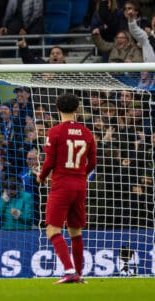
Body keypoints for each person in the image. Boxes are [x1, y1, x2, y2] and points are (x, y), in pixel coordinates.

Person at [37, 93, 97, 284]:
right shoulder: (88, 133)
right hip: (80, 185)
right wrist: (80, 174)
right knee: (75, 231)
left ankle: (69, 270)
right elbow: (93, 163)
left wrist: (41, 177)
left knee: (52, 229)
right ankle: (78, 274)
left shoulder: (55, 131)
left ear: (57, 109)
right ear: (77, 109)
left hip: (62, 185)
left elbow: (49, 162)